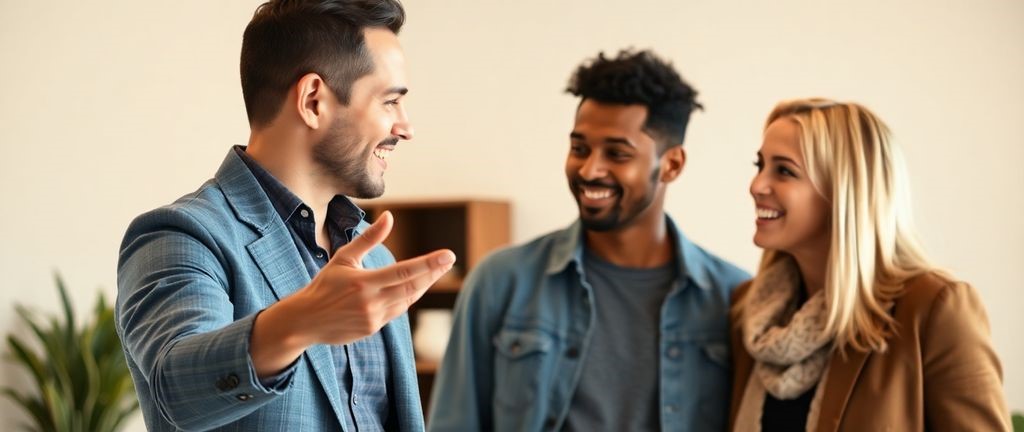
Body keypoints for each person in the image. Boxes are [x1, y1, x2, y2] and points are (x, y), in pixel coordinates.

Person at [115, 1, 454, 430]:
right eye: (390, 102)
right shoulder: (181, 236)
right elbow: (179, 391)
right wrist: (302, 320)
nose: (406, 127)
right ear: (313, 101)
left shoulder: (375, 258)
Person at [427, 49, 749, 432]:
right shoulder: (500, 281)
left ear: (672, 164)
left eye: (617, 154)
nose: (590, 169)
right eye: (579, 149)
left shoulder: (734, 297)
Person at [730, 98, 1011, 431]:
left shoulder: (935, 310)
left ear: (843, 190)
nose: (756, 186)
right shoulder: (749, 311)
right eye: (759, 165)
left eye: (785, 171)